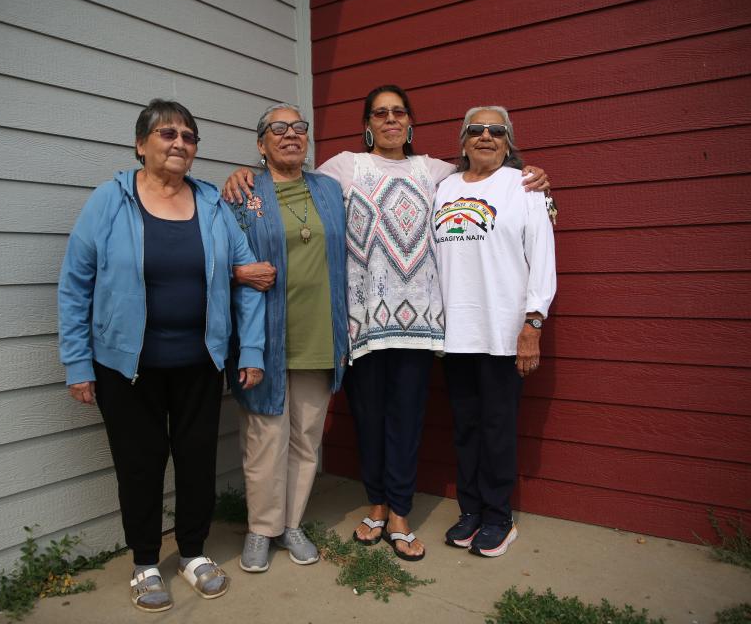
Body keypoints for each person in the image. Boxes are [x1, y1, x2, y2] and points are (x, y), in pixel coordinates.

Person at [224, 85, 549, 562]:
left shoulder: (437, 172)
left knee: (407, 420)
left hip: (420, 326)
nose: (391, 120)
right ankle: (375, 504)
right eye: (380, 113)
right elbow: (289, 179)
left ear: (411, 123)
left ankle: (399, 511)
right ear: (368, 124)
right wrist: (243, 176)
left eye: (399, 112)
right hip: (359, 325)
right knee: (369, 421)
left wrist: (532, 175)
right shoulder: (343, 167)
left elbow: (486, 177)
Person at [58, 99, 265, 612]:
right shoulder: (110, 201)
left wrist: (252, 347)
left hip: (199, 362)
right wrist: (78, 363)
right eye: (167, 133)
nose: (179, 143)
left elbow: (249, 280)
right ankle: (146, 563)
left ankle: (193, 553)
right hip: (125, 368)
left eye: (189, 137)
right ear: (141, 143)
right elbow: (74, 285)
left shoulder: (213, 205)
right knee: (140, 466)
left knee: (197, 462)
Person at [227, 103, 348, 573]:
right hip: (266, 337)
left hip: (320, 332)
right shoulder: (242, 193)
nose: (291, 135)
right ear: (261, 144)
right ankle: (261, 528)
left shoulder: (330, 189)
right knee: (264, 438)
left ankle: (291, 524)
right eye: (278, 129)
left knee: (306, 437)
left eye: (300, 128)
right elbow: (221, 256)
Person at [433, 105, 556, 558]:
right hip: (454, 334)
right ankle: (471, 510)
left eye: (496, 131)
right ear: (463, 140)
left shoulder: (524, 186)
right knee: (465, 427)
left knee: (497, 427)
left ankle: (498, 517)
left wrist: (533, 324)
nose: (486, 136)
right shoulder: (442, 188)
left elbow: (542, 259)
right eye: (476, 130)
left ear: (508, 141)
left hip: (504, 333)